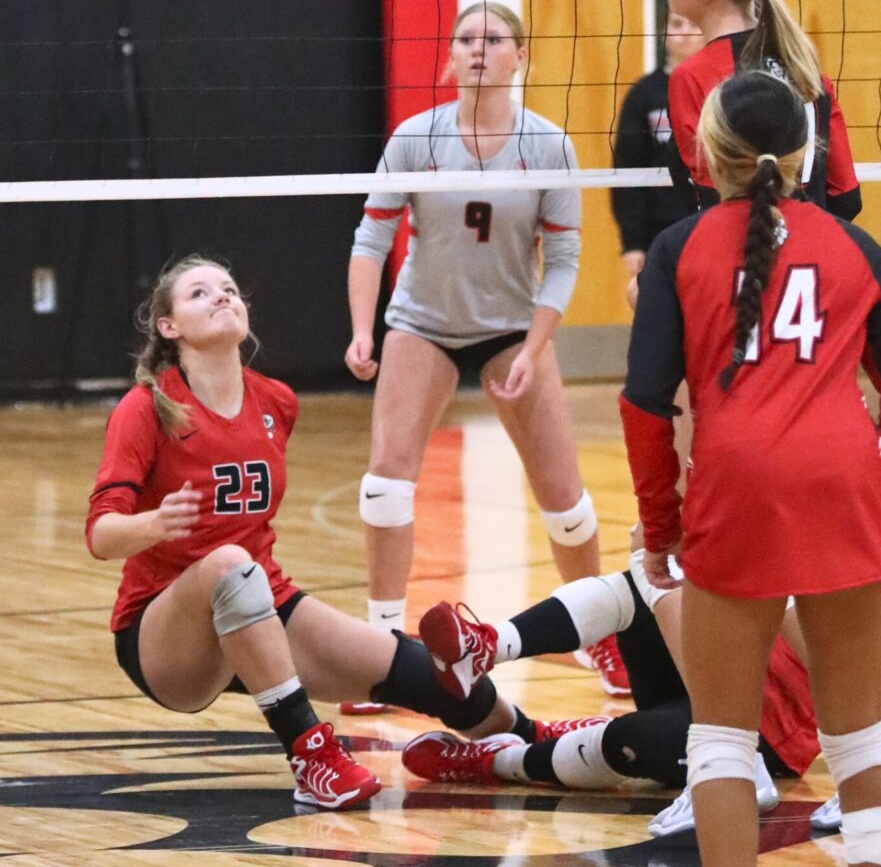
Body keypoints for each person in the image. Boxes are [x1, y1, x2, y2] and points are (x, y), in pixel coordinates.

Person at [85, 255, 596, 812]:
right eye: (200, 294)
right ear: (169, 326)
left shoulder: (275, 401)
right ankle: (310, 757)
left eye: (229, 289)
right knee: (228, 563)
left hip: (262, 605)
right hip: (167, 637)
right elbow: (101, 535)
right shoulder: (147, 408)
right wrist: (153, 524)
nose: (222, 298)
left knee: (423, 672)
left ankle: (520, 739)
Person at [619, 71, 881, 867]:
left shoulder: (676, 249)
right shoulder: (858, 247)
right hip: (845, 487)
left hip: (737, 492)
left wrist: (661, 527)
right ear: (807, 153)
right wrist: (874, 475)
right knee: (860, 734)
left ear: (705, 150)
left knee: (722, 742)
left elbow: (646, 407)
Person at [401, 466, 881, 841]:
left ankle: (491, 761)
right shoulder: (808, 546)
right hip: (713, 675)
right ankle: (488, 646)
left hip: (765, 736)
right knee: (638, 586)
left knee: (632, 740)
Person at [345, 1, 626, 696]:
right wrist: (362, 328)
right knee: (385, 484)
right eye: (466, 38)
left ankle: (600, 636)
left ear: (518, 57)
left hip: (510, 324)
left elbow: (563, 257)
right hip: (423, 322)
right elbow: (371, 240)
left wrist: (536, 344)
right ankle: (383, 643)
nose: (477, 49)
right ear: (451, 54)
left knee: (565, 500)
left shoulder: (549, 145)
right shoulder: (415, 138)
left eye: (493, 38)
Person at [658, 0, 862, 221]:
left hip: (742, 262)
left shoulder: (694, 77)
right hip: (814, 260)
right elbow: (847, 199)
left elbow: (713, 203)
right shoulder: (807, 72)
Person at [611, 13, 704, 279]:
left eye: (693, 24)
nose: (684, 32)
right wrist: (633, 242)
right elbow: (627, 168)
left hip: (710, 219)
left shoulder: (722, 86)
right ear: (664, 32)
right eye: (676, 24)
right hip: (658, 229)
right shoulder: (643, 94)